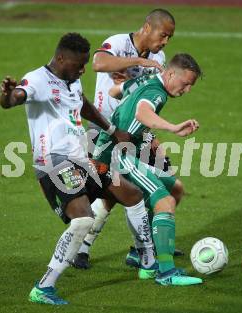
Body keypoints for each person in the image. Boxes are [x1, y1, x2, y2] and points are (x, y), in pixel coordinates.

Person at [0, 32, 152, 305]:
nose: (83, 70)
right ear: (60, 58)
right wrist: (8, 95)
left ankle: (149, 262)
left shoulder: (72, 79)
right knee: (82, 220)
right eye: (78, 64)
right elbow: (16, 97)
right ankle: (44, 287)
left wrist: (112, 129)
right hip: (54, 162)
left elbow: (83, 105)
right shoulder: (37, 80)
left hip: (81, 159)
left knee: (132, 194)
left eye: (84, 64)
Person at [73, 8, 184, 270]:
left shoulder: (159, 56)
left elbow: (144, 97)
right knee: (109, 191)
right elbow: (99, 63)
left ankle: (141, 248)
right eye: (163, 34)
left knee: (165, 184)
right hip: (103, 130)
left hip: (135, 132)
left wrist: (151, 136)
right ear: (147, 27)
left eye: (170, 37)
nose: (165, 41)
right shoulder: (119, 42)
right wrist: (139, 62)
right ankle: (82, 248)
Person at [92, 53, 203, 286]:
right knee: (165, 201)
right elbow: (143, 112)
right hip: (116, 153)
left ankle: (143, 251)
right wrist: (173, 128)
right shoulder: (157, 92)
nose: (187, 90)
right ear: (171, 73)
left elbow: (114, 92)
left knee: (175, 190)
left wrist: (122, 115)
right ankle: (165, 272)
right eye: (186, 84)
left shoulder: (147, 80)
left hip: (125, 149)